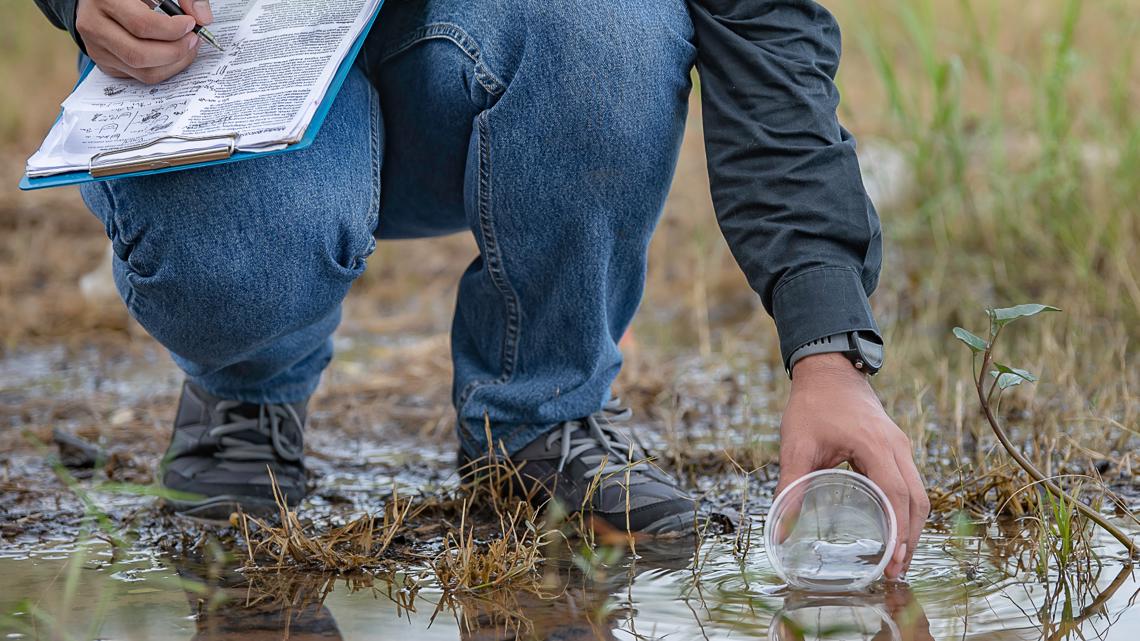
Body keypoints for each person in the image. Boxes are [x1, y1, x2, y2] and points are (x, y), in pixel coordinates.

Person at [31, 0, 928, 578]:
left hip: (472, 45)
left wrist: (829, 353)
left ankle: (542, 410)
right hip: (222, 49)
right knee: (234, 258)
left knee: (611, 22)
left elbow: (764, 29)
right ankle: (245, 393)